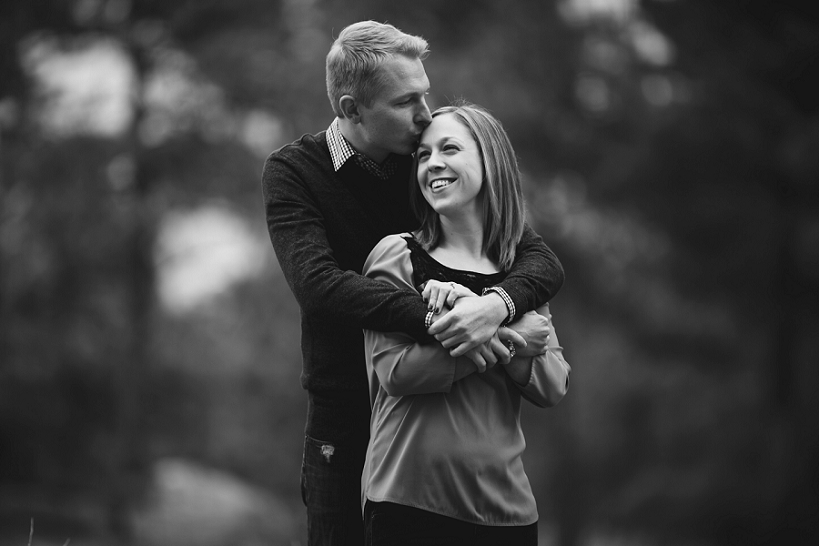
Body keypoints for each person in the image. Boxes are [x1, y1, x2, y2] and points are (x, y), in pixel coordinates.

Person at [261, 21, 564, 546]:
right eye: (406, 102)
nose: (425, 116)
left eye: (425, 94)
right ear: (352, 109)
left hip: (438, 419)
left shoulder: (425, 164)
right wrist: (451, 324)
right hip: (346, 414)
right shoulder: (294, 171)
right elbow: (320, 286)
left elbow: (536, 256)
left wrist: (494, 307)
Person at [361, 102, 572, 546]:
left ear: (489, 160)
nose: (432, 162)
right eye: (422, 154)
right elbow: (396, 373)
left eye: (450, 148)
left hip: (508, 511)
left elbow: (552, 385)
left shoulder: (521, 271)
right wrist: (505, 337)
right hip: (409, 500)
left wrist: (483, 319)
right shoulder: (396, 255)